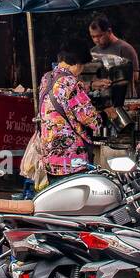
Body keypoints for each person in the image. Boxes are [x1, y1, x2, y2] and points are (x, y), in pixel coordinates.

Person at [37, 38, 103, 181]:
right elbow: (92, 120)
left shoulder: (46, 78)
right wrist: (103, 115)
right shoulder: (70, 82)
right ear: (78, 62)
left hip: (50, 158)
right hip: (71, 160)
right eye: (83, 65)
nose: (82, 69)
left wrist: (90, 86)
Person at [88, 14, 140, 82]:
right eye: (93, 36)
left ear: (109, 31)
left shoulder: (125, 49)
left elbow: (135, 77)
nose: (96, 40)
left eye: (100, 36)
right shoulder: (93, 51)